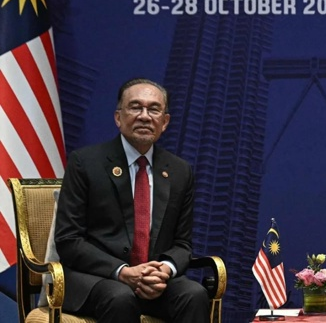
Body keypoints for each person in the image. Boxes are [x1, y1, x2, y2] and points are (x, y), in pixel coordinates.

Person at [55, 78, 210, 322]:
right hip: (98, 278)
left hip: (154, 281)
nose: (145, 116)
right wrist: (122, 272)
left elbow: (182, 243)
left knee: (194, 294)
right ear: (118, 117)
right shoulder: (85, 163)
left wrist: (165, 270)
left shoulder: (180, 171)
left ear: (165, 122)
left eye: (154, 109)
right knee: (120, 297)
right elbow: (69, 240)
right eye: (135, 107)